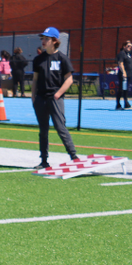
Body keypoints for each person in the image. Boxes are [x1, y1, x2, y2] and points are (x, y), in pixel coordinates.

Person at [32, 27, 79, 170]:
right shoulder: (38, 59)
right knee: (43, 130)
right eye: (42, 39)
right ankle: (44, 160)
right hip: (41, 99)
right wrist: (33, 98)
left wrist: (58, 94)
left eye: (46, 38)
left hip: (55, 98)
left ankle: (74, 157)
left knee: (60, 127)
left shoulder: (62, 58)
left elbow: (69, 79)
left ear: (54, 41)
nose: (43, 41)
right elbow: (35, 80)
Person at [115, 40, 132, 110]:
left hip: (129, 74)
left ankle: (126, 103)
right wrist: (124, 72)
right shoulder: (122, 53)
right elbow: (120, 63)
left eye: (130, 46)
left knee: (126, 89)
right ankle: (118, 105)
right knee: (121, 89)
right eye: (128, 46)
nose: (130, 47)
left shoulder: (129, 53)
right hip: (123, 74)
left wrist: (131, 45)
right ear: (124, 47)